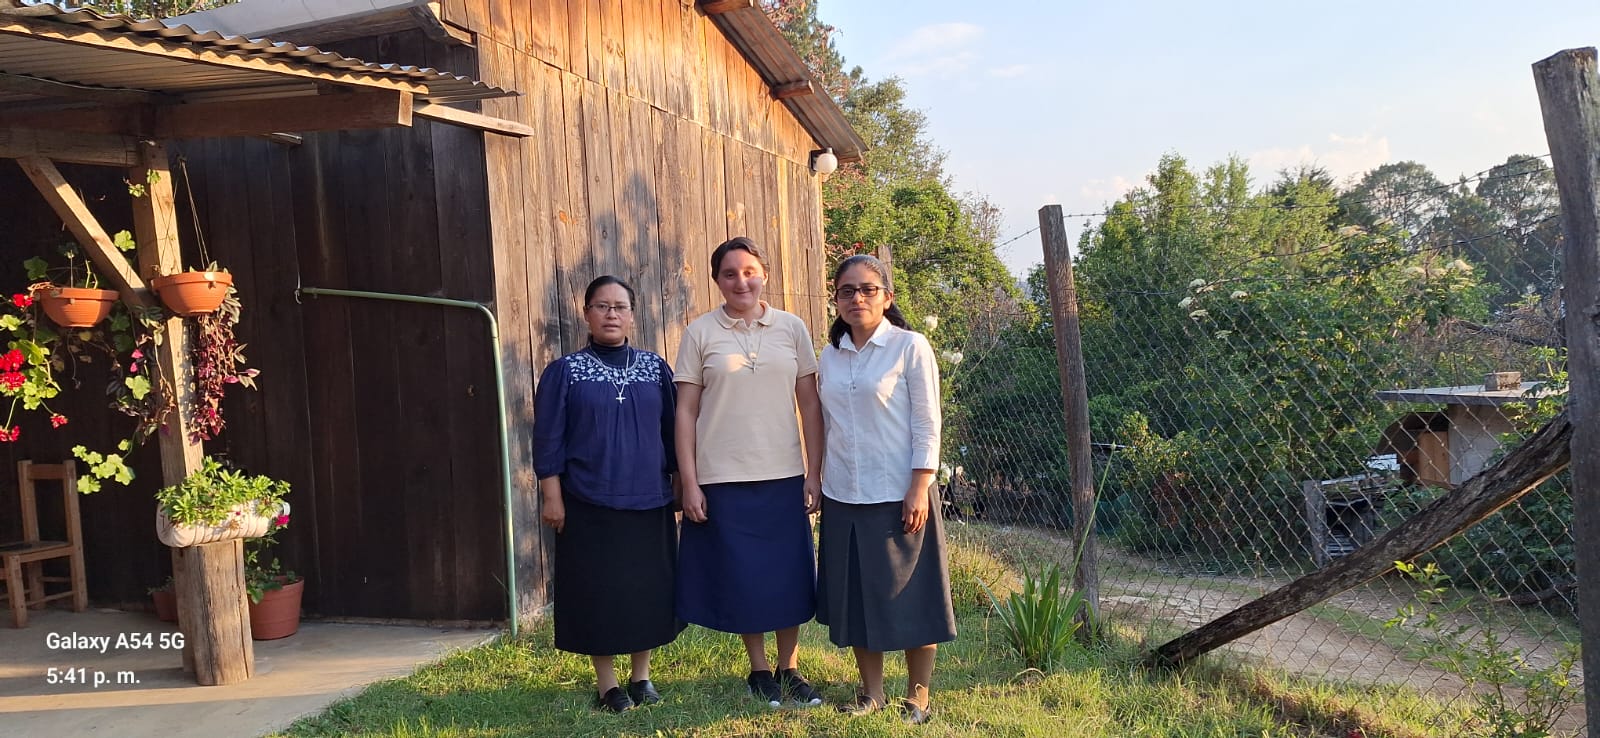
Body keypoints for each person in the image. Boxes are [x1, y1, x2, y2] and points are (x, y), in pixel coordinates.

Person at [673, 236, 827, 708]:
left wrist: (814, 472)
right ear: (717, 281)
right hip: (722, 478)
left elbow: (810, 405)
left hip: (783, 473)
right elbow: (685, 413)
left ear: (764, 275)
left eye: (749, 271)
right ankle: (760, 669)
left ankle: (791, 667)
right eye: (729, 273)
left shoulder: (792, 328)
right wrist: (691, 482)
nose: (741, 280)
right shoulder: (700, 333)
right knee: (743, 576)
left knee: (787, 574)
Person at [815, 254, 956, 725]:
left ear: (888, 297)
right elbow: (826, 423)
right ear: (835, 300)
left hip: (899, 495)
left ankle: (918, 696)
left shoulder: (911, 347)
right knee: (857, 600)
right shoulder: (830, 356)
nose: (857, 298)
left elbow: (926, 422)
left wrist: (920, 485)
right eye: (847, 290)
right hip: (843, 495)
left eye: (867, 289)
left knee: (915, 598)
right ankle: (871, 693)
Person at [532, 275, 683, 713]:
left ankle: (641, 678)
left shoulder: (656, 369)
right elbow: (548, 440)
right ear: (587, 314)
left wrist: (679, 483)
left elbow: (673, 434)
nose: (611, 314)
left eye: (620, 306)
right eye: (602, 306)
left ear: (633, 315)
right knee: (599, 593)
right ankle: (608, 686)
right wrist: (551, 494)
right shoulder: (565, 372)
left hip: (648, 500)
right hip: (587, 502)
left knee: (645, 591)